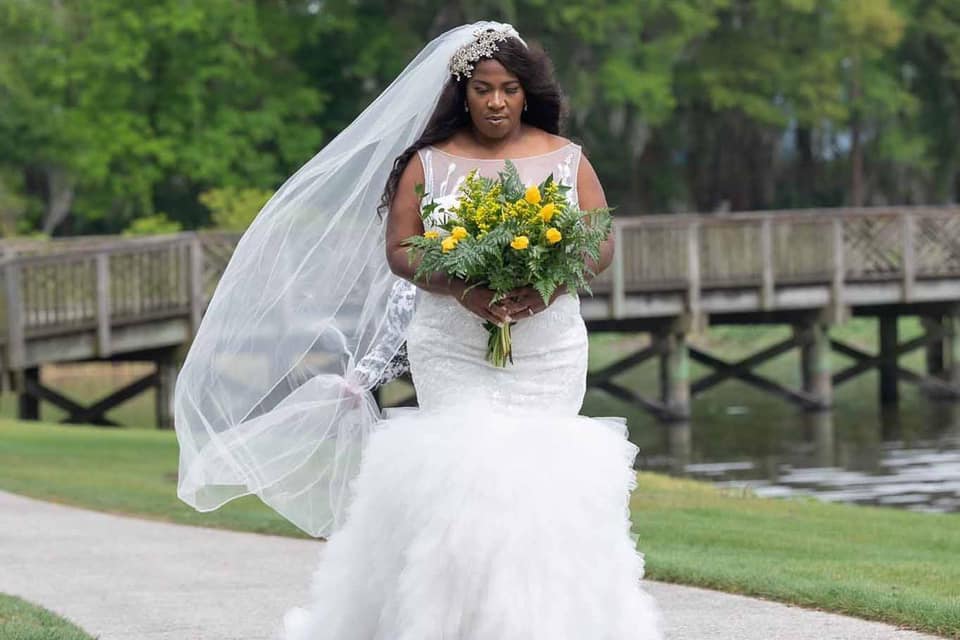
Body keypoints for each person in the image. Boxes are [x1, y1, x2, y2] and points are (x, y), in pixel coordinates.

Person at [172, 21, 663, 640]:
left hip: (548, 343)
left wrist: (544, 287)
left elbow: (600, 243)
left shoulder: (566, 159)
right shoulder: (428, 163)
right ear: (462, 92)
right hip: (451, 340)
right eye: (483, 88)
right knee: (463, 473)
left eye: (508, 89)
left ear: (524, 92)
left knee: (545, 476)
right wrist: (466, 288)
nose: (495, 102)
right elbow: (401, 250)